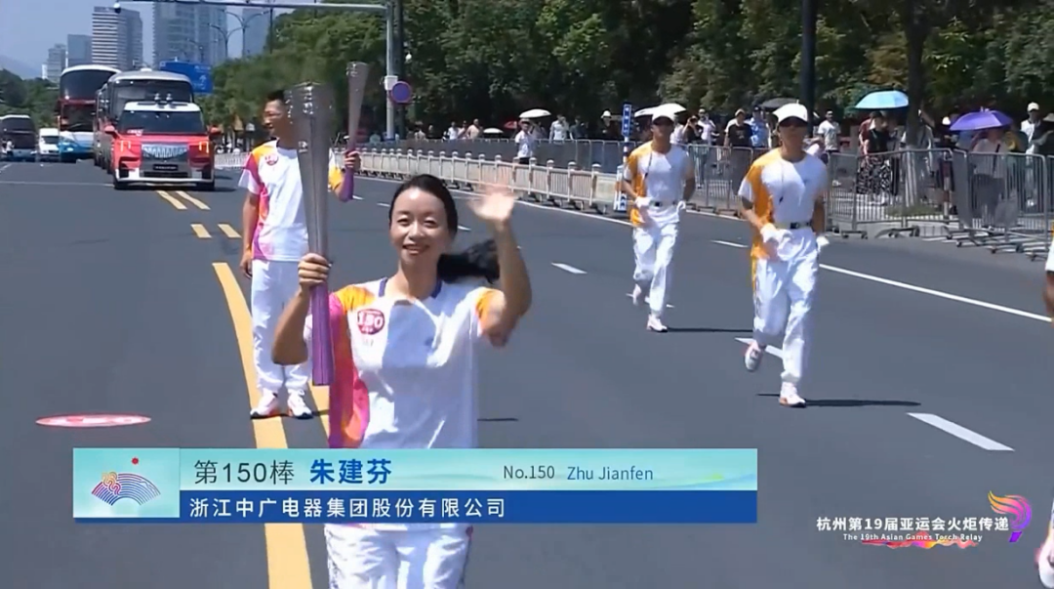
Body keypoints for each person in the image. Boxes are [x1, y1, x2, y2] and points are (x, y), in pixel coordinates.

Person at [271, 173, 532, 588]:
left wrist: (502, 227)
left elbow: (515, 305)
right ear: (391, 229)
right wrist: (305, 294)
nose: (415, 232)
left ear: (448, 235)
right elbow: (284, 353)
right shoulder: (353, 302)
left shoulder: (466, 305)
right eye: (404, 220)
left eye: (430, 222)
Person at [239, 88, 361, 419]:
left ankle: (296, 393)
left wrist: (350, 170)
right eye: (266, 114)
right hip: (267, 254)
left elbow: (344, 194)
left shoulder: (320, 155)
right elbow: (251, 203)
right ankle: (268, 393)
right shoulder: (261, 155)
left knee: (303, 328)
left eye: (272, 113)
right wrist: (246, 247)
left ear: (290, 115)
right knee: (264, 326)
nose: (266, 119)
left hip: (307, 258)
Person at [738, 103, 828, 408]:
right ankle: (760, 340)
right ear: (778, 130)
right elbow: (744, 203)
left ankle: (790, 384)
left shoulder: (817, 168)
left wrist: (820, 234)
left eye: (798, 124)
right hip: (771, 245)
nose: (793, 129)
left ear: (805, 130)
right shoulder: (763, 166)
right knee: (771, 321)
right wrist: (763, 228)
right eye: (787, 124)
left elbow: (818, 204)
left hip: (803, 242)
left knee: (802, 312)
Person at [621, 105, 696, 332]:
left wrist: (684, 199)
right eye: (659, 124)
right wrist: (637, 197)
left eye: (668, 124)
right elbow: (624, 181)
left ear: (673, 128)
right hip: (645, 214)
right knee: (646, 270)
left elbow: (691, 180)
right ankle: (641, 286)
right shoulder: (640, 155)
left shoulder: (681, 156)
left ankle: (655, 315)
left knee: (664, 263)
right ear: (652, 128)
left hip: (670, 214)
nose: (663, 128)